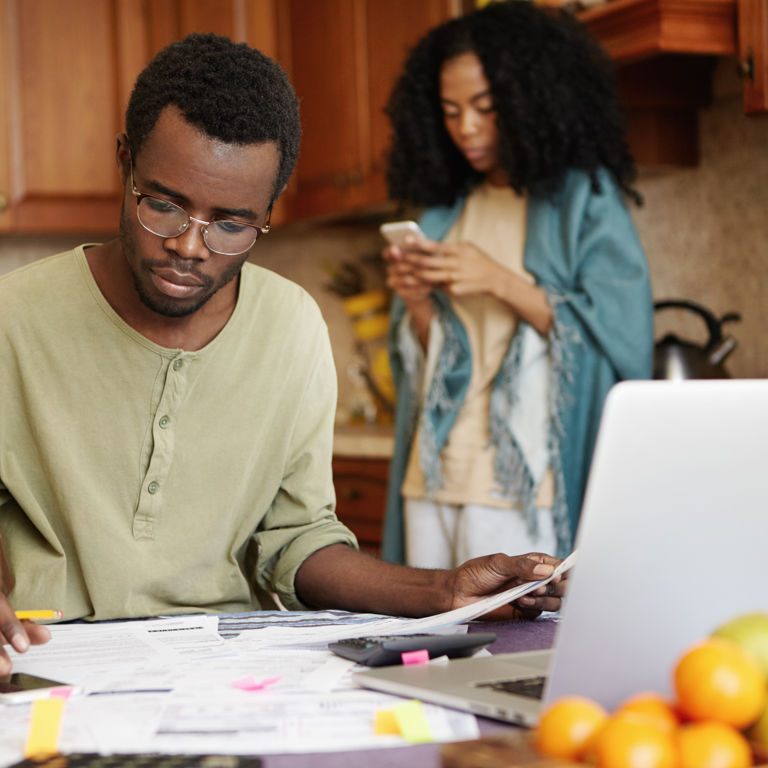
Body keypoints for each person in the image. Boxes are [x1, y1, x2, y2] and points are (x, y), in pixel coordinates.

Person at [0, 32, 565, 674]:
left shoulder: (293, 325)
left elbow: (298, 539)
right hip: (47, 659)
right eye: (163, 204)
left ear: (266, 211)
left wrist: (442, 594)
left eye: (232, 223)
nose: (190, 246)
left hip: (224, 667)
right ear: (124, 161)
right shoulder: (11, 319)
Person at [381, 1, 654, 568]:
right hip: (432, 478)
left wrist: (498, 279)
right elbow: (437, 361)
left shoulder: (580, 199)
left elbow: (621, 335)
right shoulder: (445, 214)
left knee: (511, 652)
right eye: (450, 111)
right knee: (423, 654)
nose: (467, 128)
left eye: (485, 107)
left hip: (524, 487)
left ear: (529, 99)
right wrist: (414, 303)